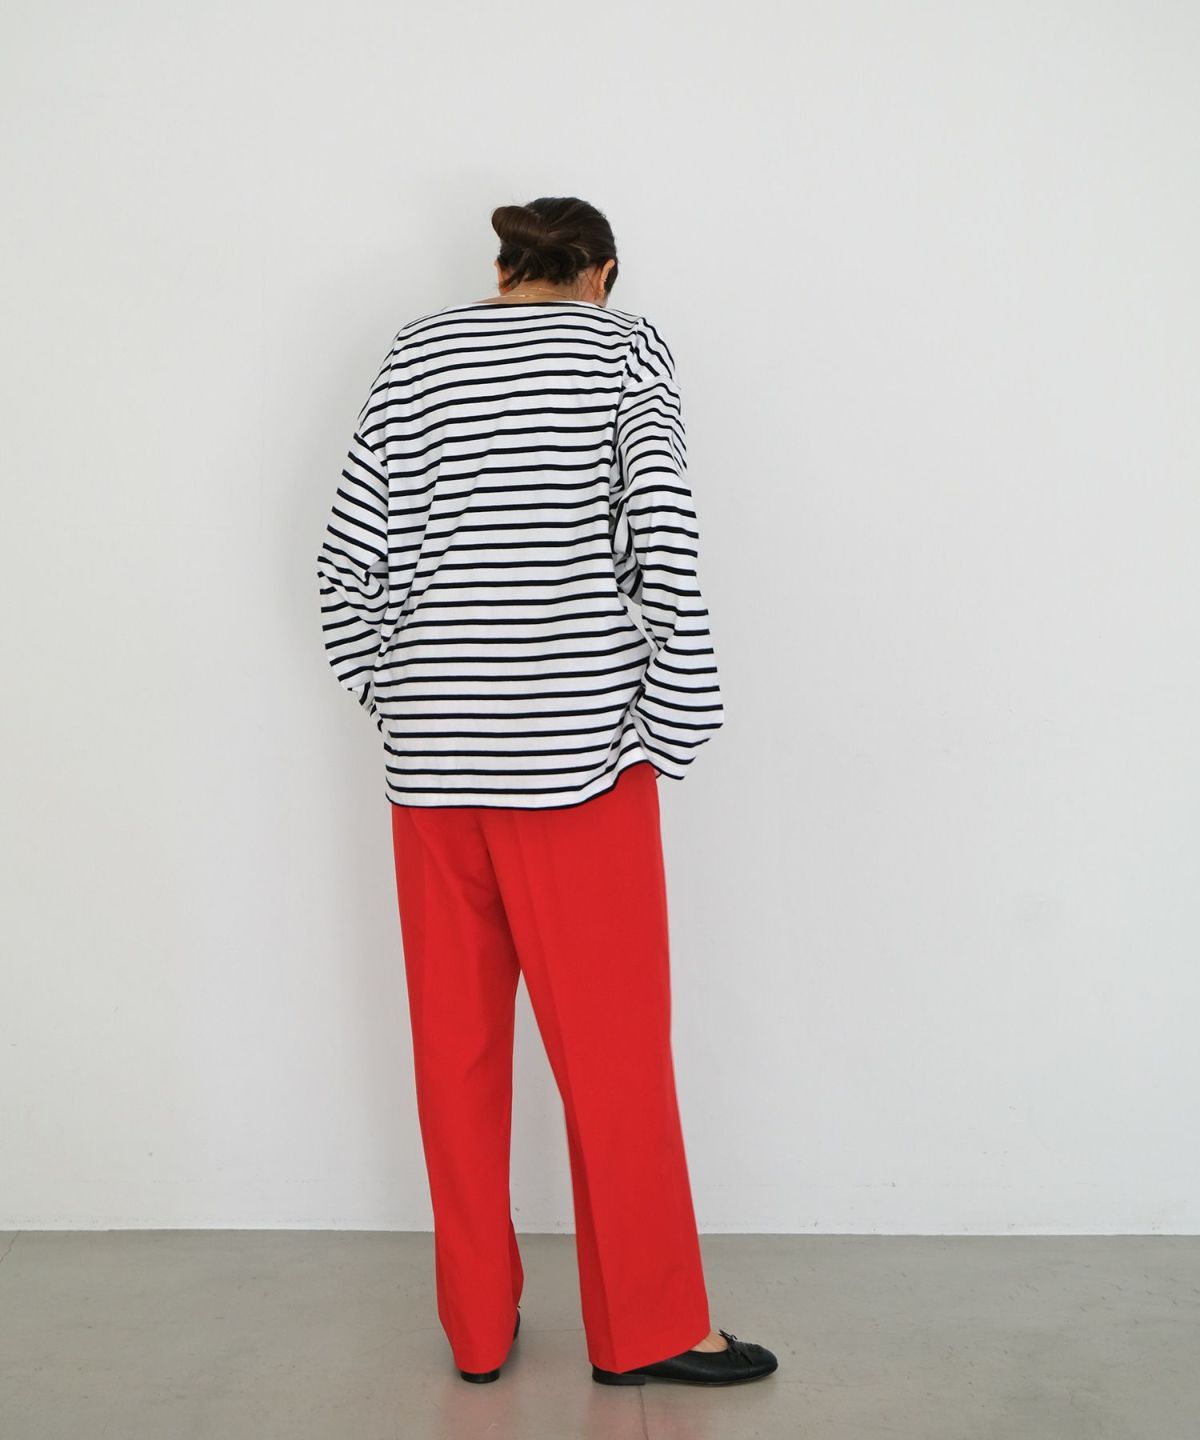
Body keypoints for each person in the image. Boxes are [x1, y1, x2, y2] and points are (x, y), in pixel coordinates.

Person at [316, 196, 777, 1388]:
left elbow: (346, 562)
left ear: (504, 266)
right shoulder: (624, 347)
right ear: (602, 274)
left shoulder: (414, 352)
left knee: (454, 1055)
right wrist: (673, 721)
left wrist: (401, 695)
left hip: (433, 771)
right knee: (615, 1058)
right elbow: (662, 537)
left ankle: (477, 1331)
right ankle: (649, 1329)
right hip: (576, 765)